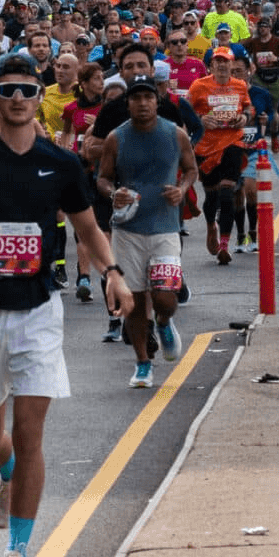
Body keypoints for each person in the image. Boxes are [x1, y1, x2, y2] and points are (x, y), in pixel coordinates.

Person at [0, 55, 133, 557]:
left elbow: (88, 229)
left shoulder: (60, 164)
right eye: (9, 90)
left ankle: (17, 554)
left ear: (35, 95)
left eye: (27, 89)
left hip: (39, 311)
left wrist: (111, 271)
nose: (19, 98)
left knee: (30, 434)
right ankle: (7, 476)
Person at [97, 76, 198, 389]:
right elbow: (102, 178)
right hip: (128, 231)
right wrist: (114, 193)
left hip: (165, 228)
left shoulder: (175, 134)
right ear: (128, 103)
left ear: (157, 101)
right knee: (135, 303)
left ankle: (165, 322)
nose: (142, 103)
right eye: (136, 98)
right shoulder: (117, 138)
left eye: (148, 98)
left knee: (165, 298)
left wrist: (181, 189)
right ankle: (143, 364)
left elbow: (191, 169)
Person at [185, 48, 253, 262]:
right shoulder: (199, 86)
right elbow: (185, 111)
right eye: (218, 61)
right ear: (211, 65)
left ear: (232, 64)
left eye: (226, 61)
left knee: (227, 192)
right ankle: (210, 226)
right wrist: (200, 119)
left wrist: (243, 118)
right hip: (206, 148)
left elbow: (249, 109)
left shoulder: (240, 85)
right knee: (212, 196)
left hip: (233, 143)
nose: (222, 65)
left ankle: (224, 244)